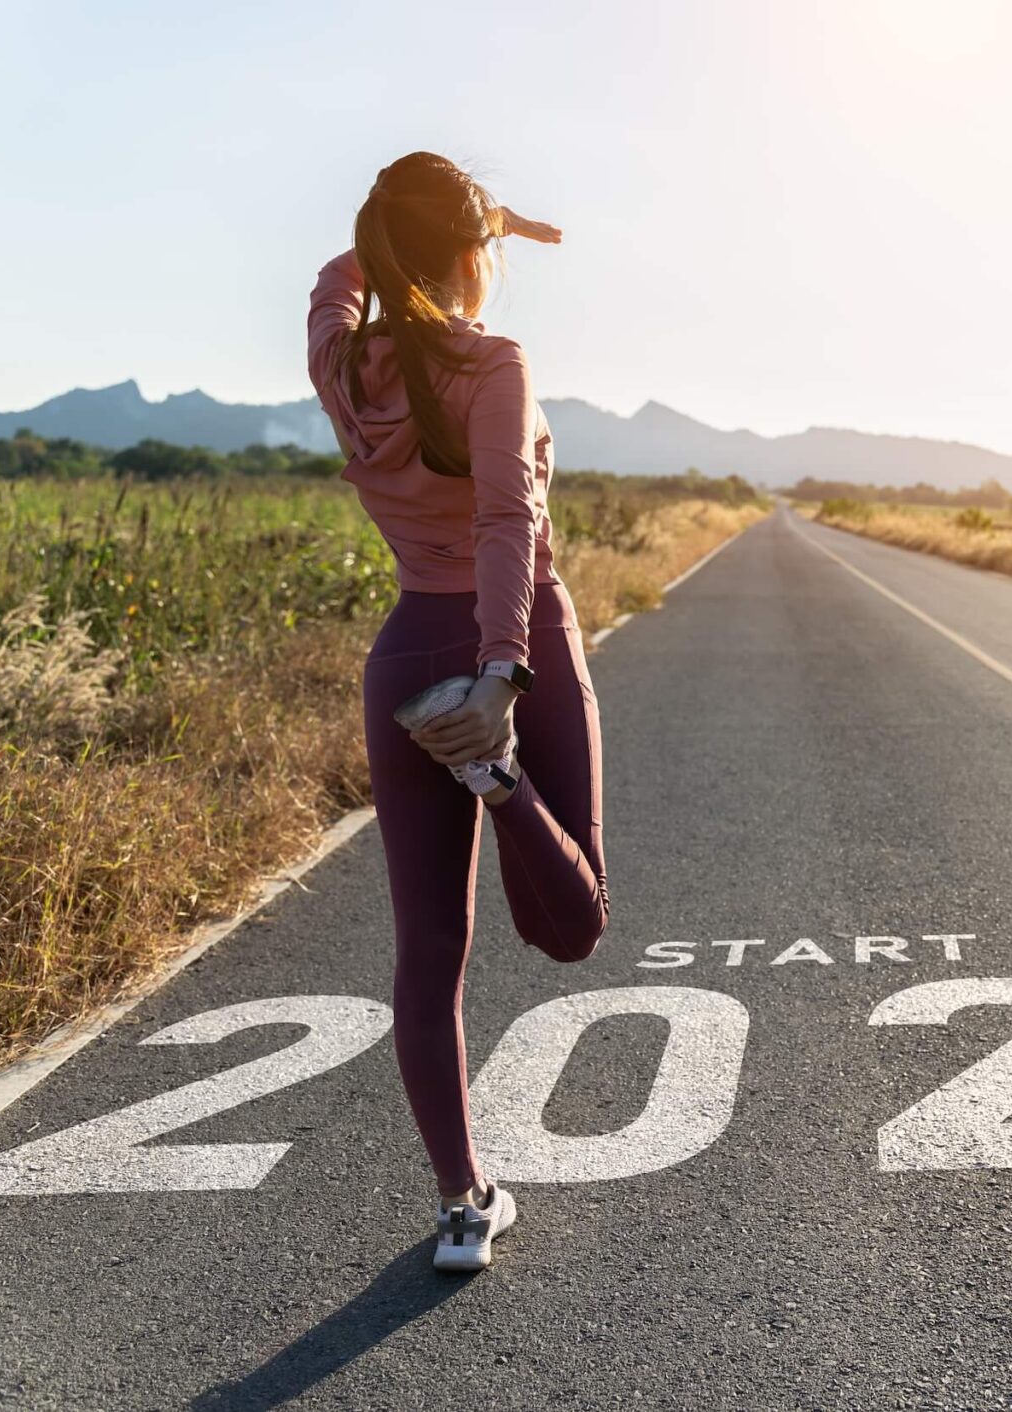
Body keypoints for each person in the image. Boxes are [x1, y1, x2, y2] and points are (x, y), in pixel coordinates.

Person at [306, 151, 606, 1272]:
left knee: (429, 952)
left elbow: (336, 279)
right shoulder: (493, 359)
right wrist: (500, 678)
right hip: (508, 638)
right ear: (473, 254)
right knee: (570, 924)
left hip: (403, 660)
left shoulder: (343, 359)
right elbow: (506, 519)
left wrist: (440, 227)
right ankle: (504, 779)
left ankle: (462, 1204)